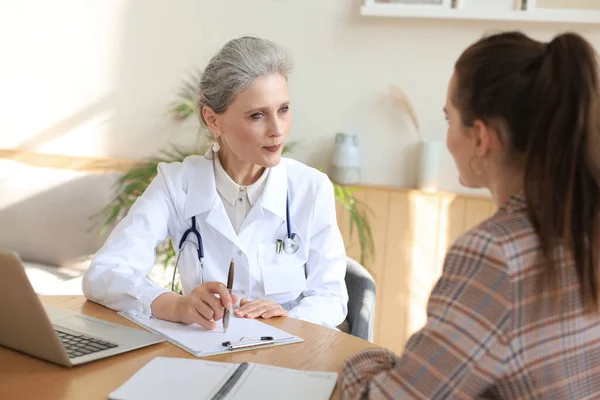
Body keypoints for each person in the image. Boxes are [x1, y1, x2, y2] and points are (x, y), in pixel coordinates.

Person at [342, 31, 600, 398]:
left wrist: (361, 359)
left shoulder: (497, 255)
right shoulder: (584, 227)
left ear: (480, 138)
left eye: (449, 119)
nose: (446, 135)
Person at [83, 36, 348, 330]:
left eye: (283, 109)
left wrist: (288, 318)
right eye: (257, 115)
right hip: (202, 353)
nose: (277, 130)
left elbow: (331, 296)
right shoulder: (176, 184)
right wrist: (178, 306)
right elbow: (104, 274)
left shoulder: (310, 189)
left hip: (287, 352)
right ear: (213, 120)